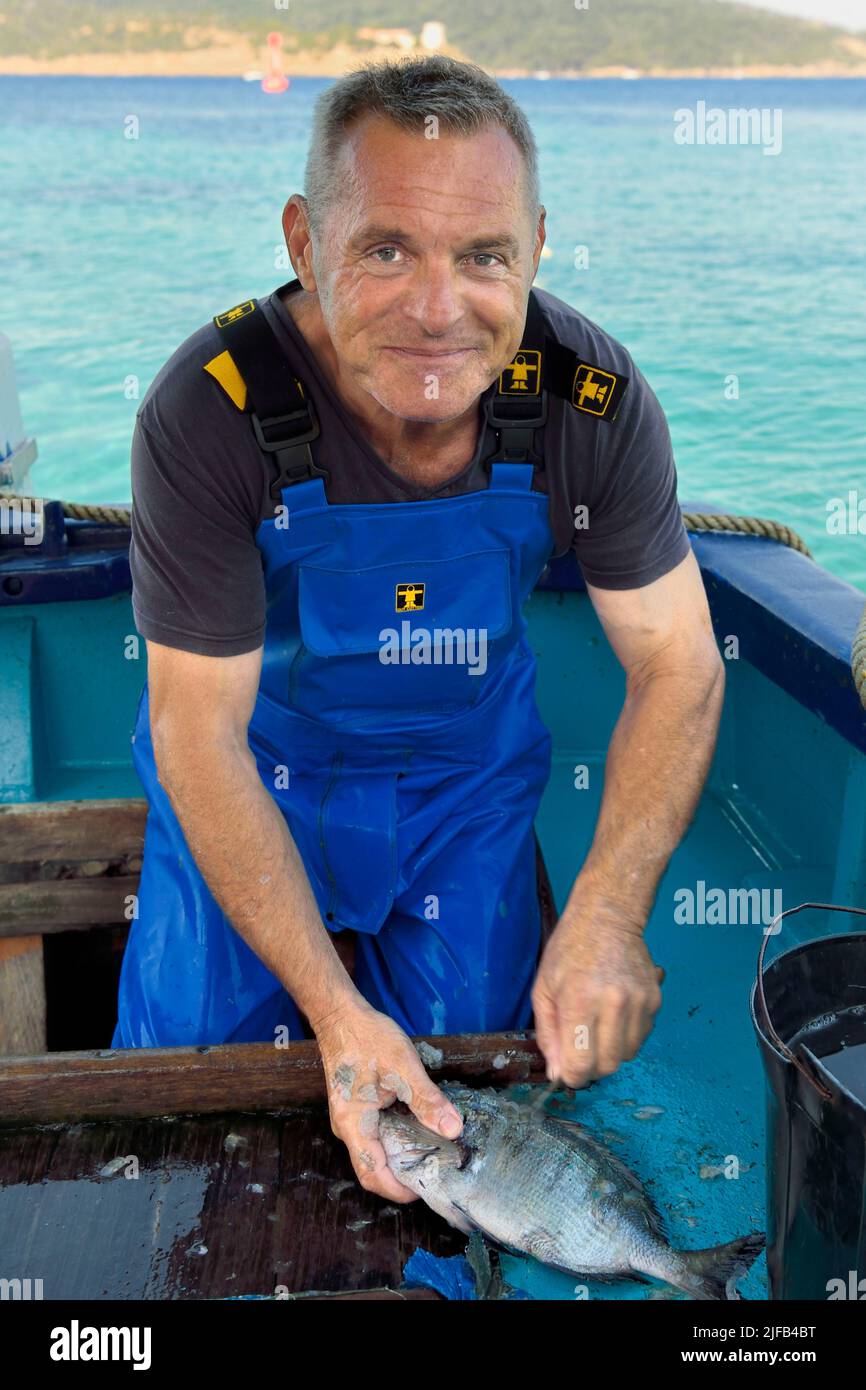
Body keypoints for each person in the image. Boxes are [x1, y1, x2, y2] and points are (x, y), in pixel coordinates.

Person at [113, 56, 724, 1203]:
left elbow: (678, 661)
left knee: (480, 1083)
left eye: (482, 255)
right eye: (385, 249)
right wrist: (337, 1014)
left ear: (535, 247)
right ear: (302, 241)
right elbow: (199, 732)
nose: (439, 309)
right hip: (261, 769)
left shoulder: (591, 399)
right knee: (178, 1094)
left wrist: (604, 911)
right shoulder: (208, 407)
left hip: (464, 780)